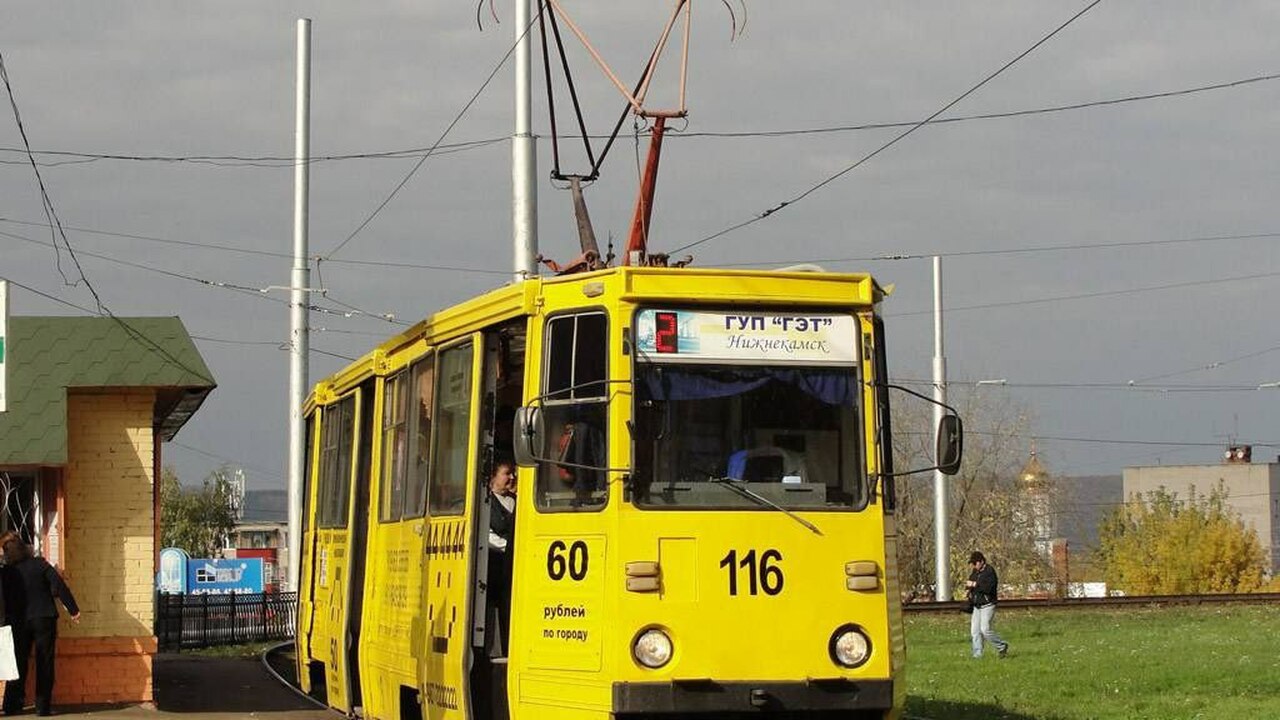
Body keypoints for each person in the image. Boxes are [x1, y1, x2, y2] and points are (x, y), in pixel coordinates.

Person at [1, 533, 80, 716]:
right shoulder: (40, 564)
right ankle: (42, 707)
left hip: (18, 621)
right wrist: (73, 609)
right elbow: (59, 585)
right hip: (44, 618)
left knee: (18, 663)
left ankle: (13, 705)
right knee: (44, 661)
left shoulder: (6, 572)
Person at [486, 462, 517, 656]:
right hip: (496, 564)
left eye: (512, 473)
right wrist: (511, 547)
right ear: (494, 478)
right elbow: (488, 536)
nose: (511, 477)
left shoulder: (515, 500)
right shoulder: (487, 502)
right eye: (507, 474)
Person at [964, 551, 1008, 659]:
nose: (974, 566)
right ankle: (977, 654)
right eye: (973, 564)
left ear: (982, 562)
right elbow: (971, 583)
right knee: (975, 631)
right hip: (977, 605)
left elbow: (987, 588)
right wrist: (968, 590)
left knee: (985, 630)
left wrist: (974, 584)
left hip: (988, 605)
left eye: (975, 563)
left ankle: (1001, 645)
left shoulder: (990, 572)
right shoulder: (975, 572)